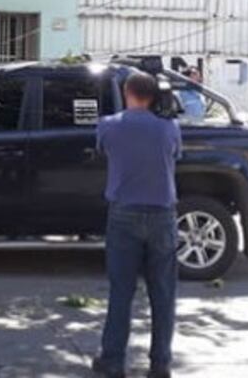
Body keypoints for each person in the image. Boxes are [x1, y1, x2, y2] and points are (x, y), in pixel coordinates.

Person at [93, 72, 182, 378]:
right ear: (154, 96)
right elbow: (175, 155)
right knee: (163, 293)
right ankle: (160, 363)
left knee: (121, 291)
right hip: (162, 214)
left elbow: (103, 150)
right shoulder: (170, 127)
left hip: (124, 213)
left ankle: (113, 361)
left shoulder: (108, 125)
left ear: (126, 91)